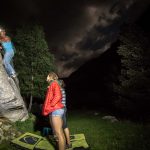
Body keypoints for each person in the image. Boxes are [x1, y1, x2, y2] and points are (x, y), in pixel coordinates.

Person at [42, 72, 65, 150]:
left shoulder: (54, 84)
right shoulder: (53, 84)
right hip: (55, 110)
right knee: (58, 132)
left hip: (56, 109)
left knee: (58, 133)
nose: (46, 78)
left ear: (50, 77)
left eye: (47, 76)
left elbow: (58, 96)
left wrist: (51, 105)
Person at [59, 80, 72, 149]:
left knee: (64, 126)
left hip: (62, 109)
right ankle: (65, 143)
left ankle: (68, 144)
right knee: (62, 126)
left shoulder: (60, 90)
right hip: (62, 109)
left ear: (60, 84)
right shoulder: (62, 90)